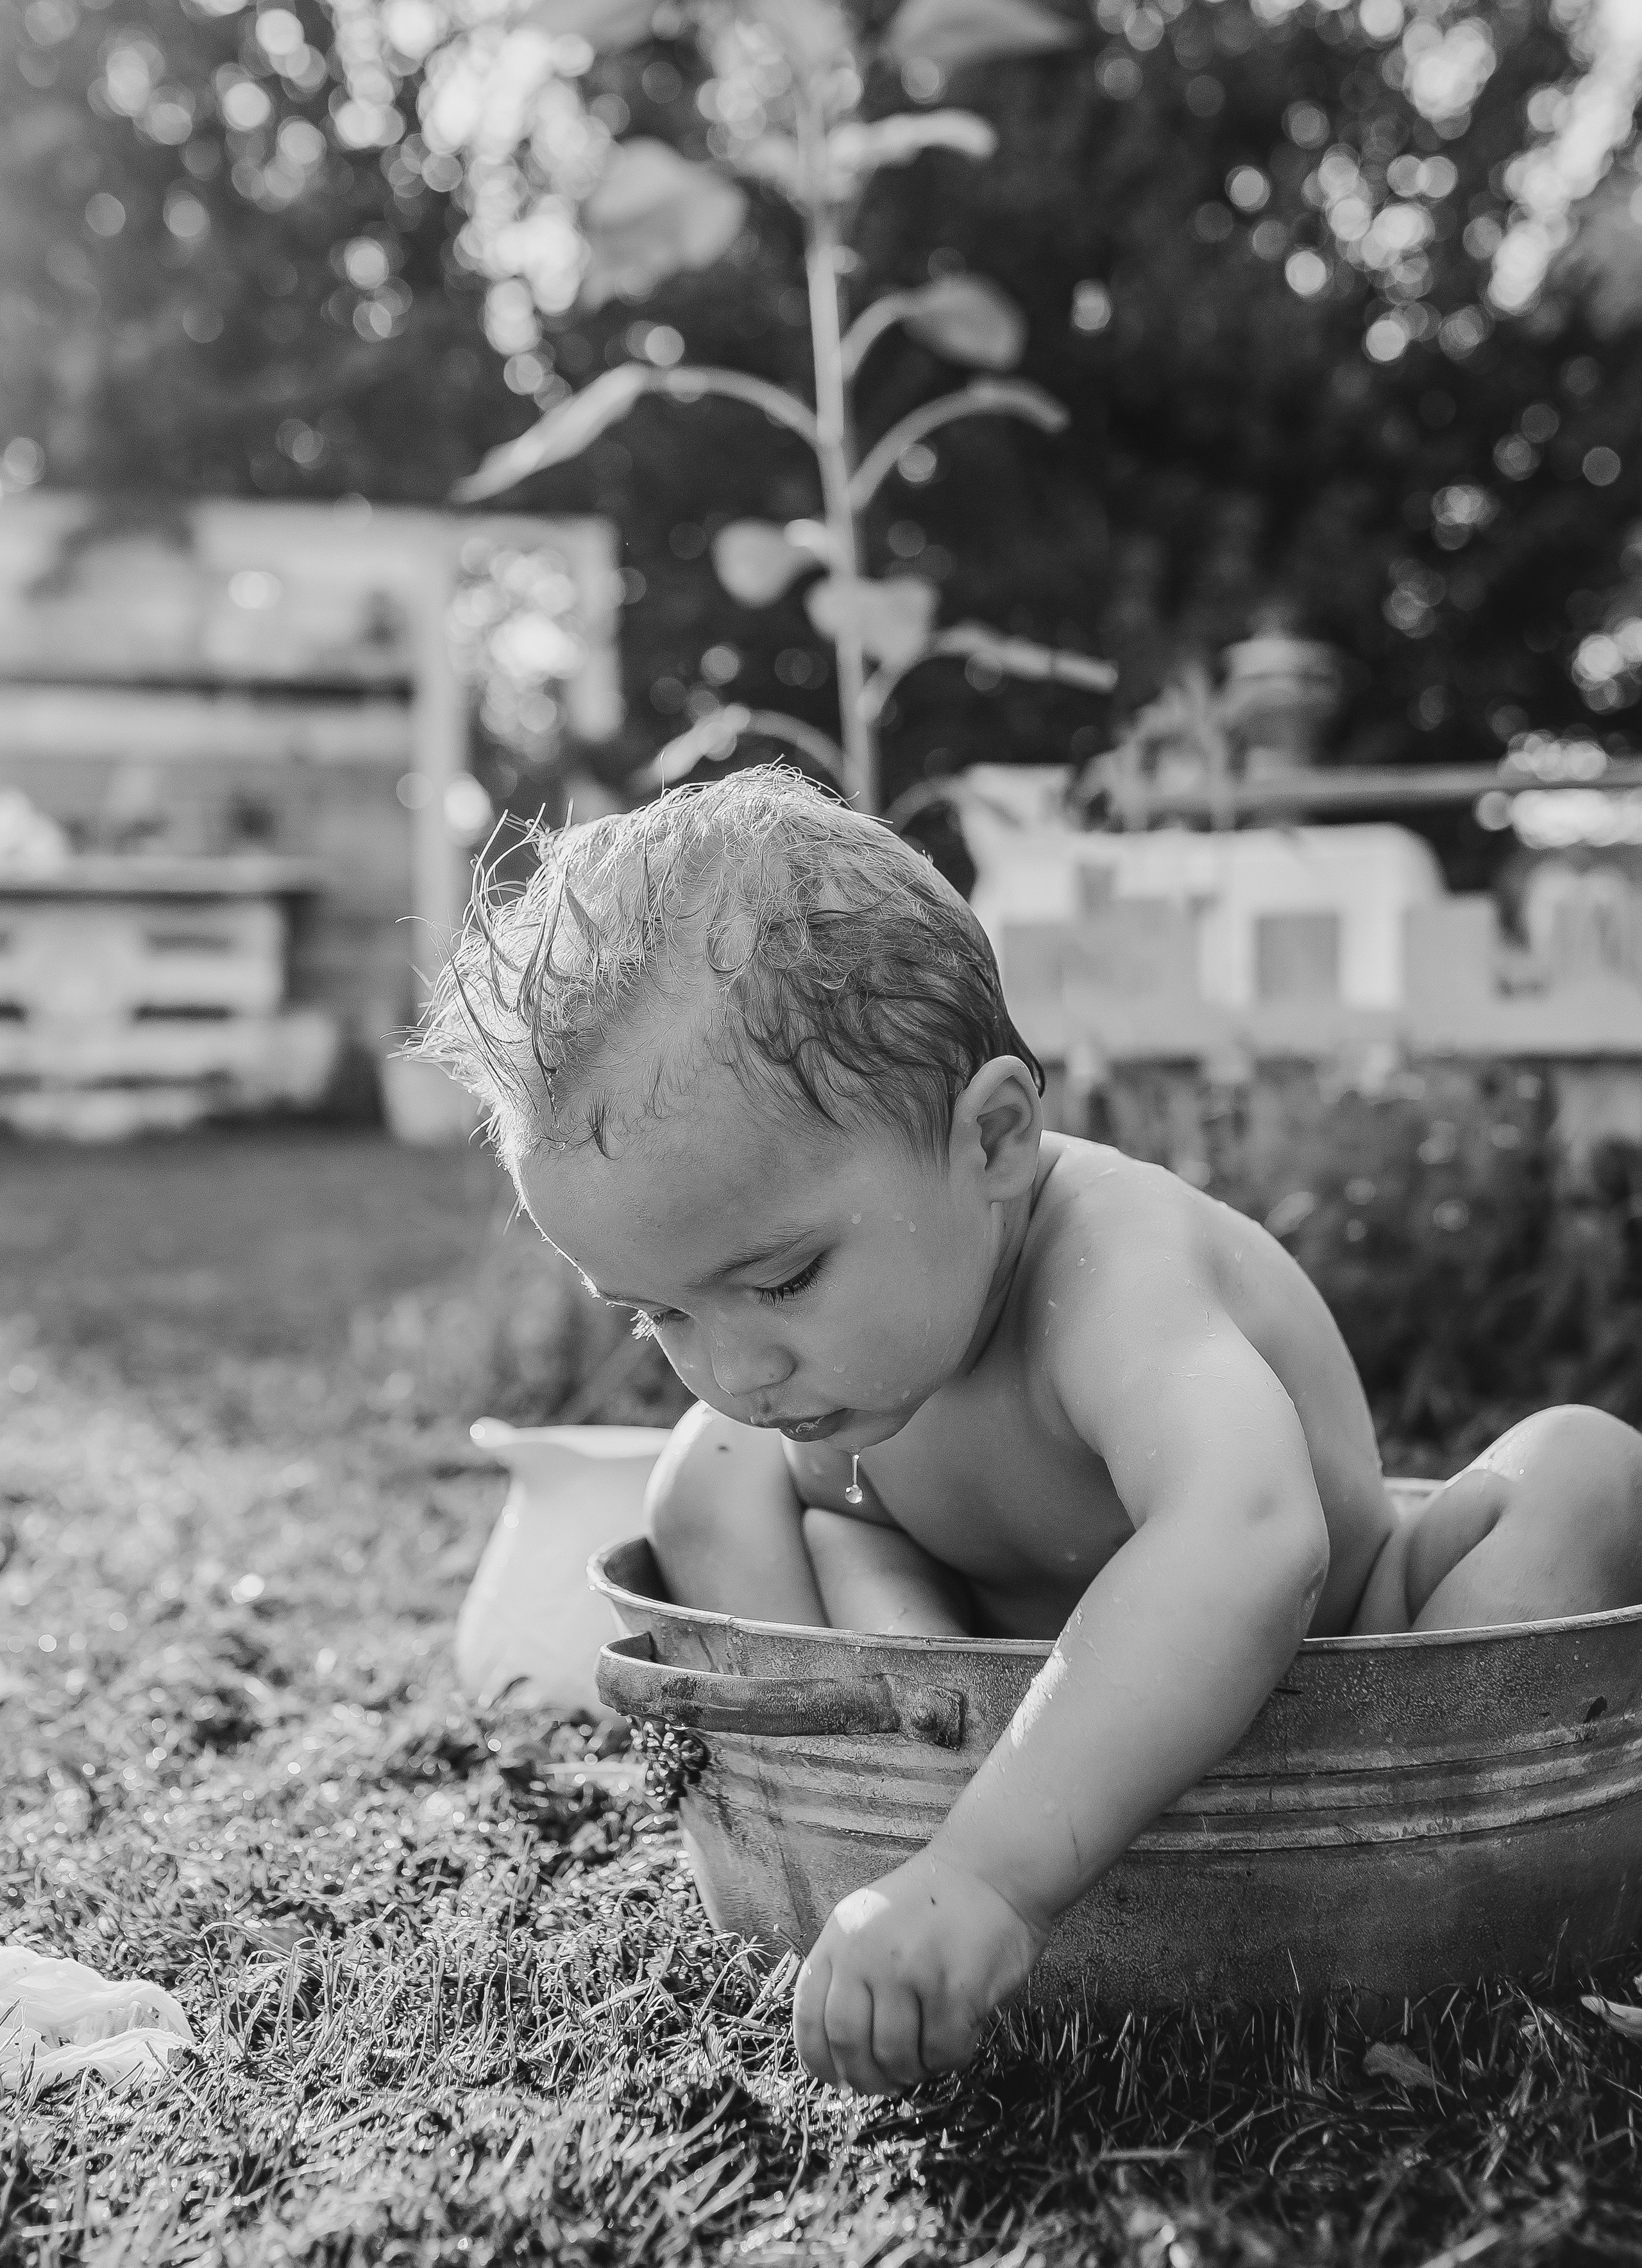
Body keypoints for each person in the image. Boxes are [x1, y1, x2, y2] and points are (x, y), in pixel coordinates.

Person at [417, 766, 1642, 2096]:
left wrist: (990, 1874)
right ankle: (883, 1866)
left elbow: (1250, 1536)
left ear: (991, 1136)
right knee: (707, 1482)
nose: (734, 1366)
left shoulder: (1107, 1270)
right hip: (1003, 1703)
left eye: (777, 1281)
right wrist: (886, 1756)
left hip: (1357, 1664)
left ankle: (1428, 1894)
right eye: (657, 1315)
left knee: (1585, 1466)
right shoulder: (837, 1370)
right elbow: (752, 1497)